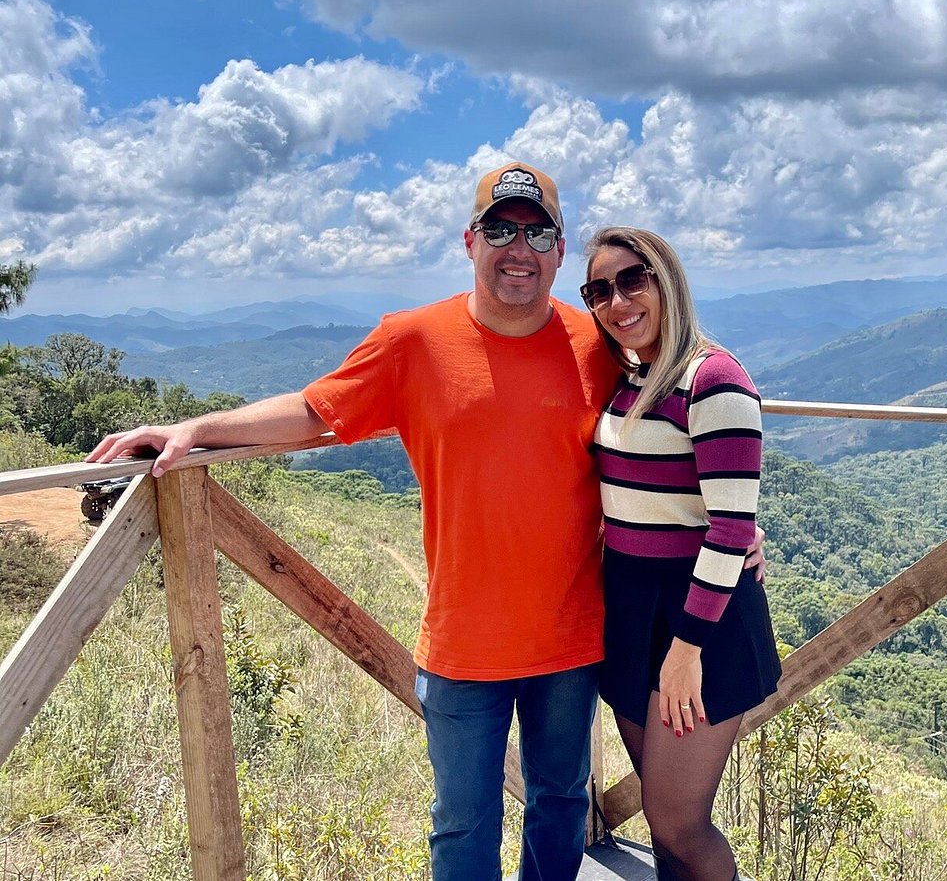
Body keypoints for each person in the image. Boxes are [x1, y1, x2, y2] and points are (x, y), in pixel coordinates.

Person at [87, 163, 763, 881]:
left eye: (537, 233)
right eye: (500, 229)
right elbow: (317, 409)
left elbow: (684, 434)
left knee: (561, 804)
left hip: (574, 636)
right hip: (465, 641)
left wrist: (737, 527)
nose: (518, 248)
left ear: (559, 252)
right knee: (463, 824)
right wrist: (197, 430)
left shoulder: (594, 345)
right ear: (470, 241)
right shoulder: (412, 339)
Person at [580, 227, 781, 881]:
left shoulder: (714, 378)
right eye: (599, 290)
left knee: (679, 824)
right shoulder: (630, 379)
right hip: (633, 611)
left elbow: (728, 527)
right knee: (665, 829)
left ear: (666, 279)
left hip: (698, 623)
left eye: (633, 279)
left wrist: (687, 651)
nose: (618, 301)